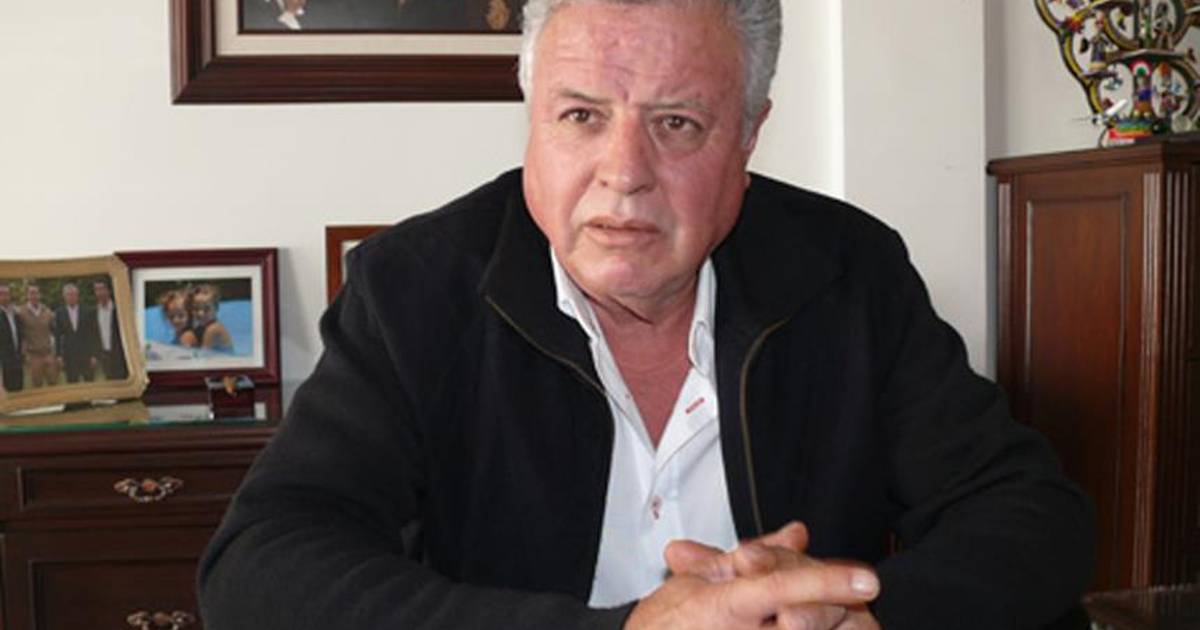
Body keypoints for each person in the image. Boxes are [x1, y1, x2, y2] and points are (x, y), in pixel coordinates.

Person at [199, 1, 1096, 629]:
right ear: (532, 121)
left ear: (749, 138)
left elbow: (1033, 515)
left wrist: (864, 612)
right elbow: (261, 567)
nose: (624, 172)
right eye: (581, 115)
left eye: (676, 124)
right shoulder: (412, 291)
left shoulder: (849, 272)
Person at [54, 283, 97, 384]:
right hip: (70, 357)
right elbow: (57, 335)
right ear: (64, 297)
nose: (71, 297)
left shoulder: (88, 311)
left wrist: (94, 355)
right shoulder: (59, 313)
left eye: (73, 294)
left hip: (86, 355)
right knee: (72, 383)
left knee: (90, 384)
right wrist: (59, 355)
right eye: (68, 295)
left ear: (77, 296)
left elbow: (93, 334)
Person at [17, 283, 57, 388]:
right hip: (33, 355)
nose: (34, 296)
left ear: (40, 295)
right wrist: (24, 354)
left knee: (53, 383)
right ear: (27, 295)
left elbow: (55, 331)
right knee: (37, 385)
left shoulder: (47, 311)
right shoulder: (21, 313)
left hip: (48, 353)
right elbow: (19, 335)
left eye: (36, 293)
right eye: (31, 293)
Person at [91, 279, 128, 380]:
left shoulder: (120, 310)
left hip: (121, 355)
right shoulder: (94, 313)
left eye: (102, 289)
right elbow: (94, 335)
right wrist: (94, 354)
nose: (100, 292)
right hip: (105, 356)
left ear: (108, 291)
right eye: (96, 289)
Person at [188, 284, 233, 352]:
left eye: (206, 309)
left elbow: (203, 355)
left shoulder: (213, 329)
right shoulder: (200, 327)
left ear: (216, 309)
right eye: (196, 308)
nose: (200, 313)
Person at [0, 283, 22, 392]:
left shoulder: (15, 313)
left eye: (7, 294)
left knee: (18, 388)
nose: (4, 297)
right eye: (1, 294)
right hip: (3, 359)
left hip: (16, 357)